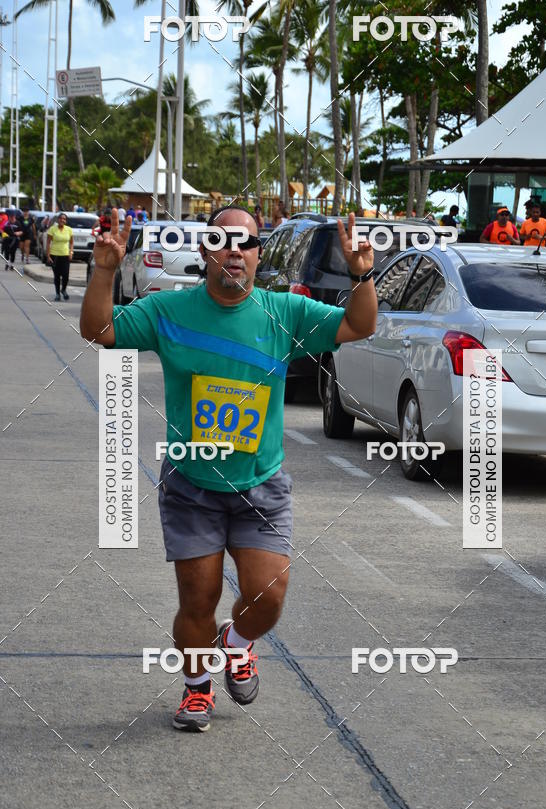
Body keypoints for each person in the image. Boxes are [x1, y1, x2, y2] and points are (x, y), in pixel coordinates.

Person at [80, 206, 376, 733]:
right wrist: (104, 270)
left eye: (247, 241)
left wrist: (361, 274)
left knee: (268, 597)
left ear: (259, 253)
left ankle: (236, 644)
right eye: (221, 239)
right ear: (205, 250)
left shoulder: (285, 312)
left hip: (260, 487)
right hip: (192, 485)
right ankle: (197, 690)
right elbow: (99, 330)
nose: (234, 250)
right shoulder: (169, 310)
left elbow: (358, 324)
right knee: (199, 599)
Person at [46, 212, 74, 301]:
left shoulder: (69, 230)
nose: (62, 220)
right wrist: (48, 256)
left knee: (66, 275)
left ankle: (63, 290)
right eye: (61, 218)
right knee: (57, 276)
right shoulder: (52, 229)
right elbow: (48, 243)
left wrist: (71, 252)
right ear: (58, 220)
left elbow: (72, 242)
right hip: (55, 255)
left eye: (64, 219)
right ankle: (57, 294)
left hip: (65, 255)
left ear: (66, 221)